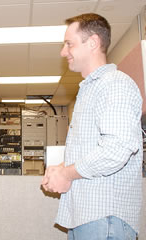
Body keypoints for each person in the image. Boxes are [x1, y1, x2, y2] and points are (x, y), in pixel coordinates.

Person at [41, 13, 143, 240]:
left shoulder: (115, 84)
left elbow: (116, 150)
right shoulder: (90, 91)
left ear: (93, 43)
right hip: (87, 217)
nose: (63, 52)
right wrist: (61, 168)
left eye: (69, 44)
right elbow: (93, 151)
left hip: (104, 219)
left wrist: (66, 174)